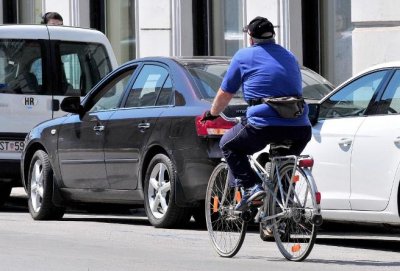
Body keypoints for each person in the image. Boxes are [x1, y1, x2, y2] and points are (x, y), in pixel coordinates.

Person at [201, 16, 312, 211]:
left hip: (263, 124)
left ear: (251, 38)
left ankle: (252, 187)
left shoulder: (243, 57)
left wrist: (213, 113)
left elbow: (225, 93)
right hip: (300, 126)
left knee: (228, 144)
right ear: (273, 37)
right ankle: (278, 215)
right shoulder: (289, 56)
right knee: (281, 165)